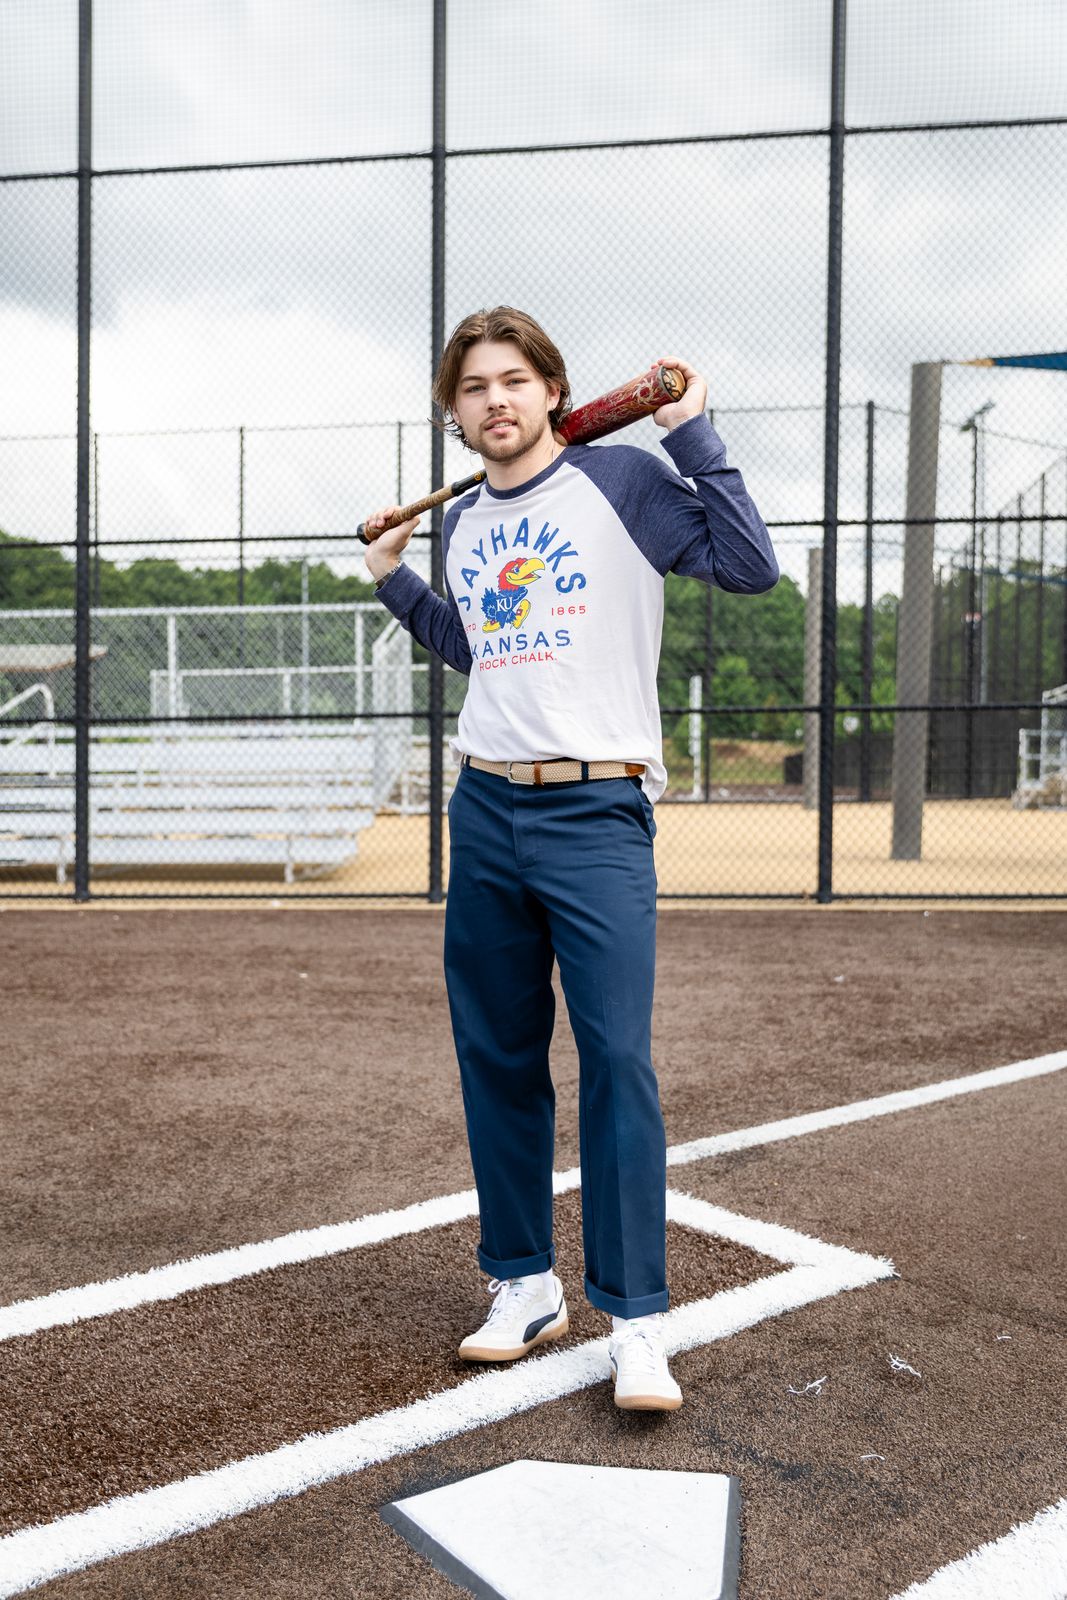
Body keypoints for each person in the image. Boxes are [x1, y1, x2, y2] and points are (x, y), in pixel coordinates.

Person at [364, 307, 777, 1412]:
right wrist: (397, 580)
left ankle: (636, 1320)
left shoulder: (625, 482)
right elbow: (477, 646)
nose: (494, 399)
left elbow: (747, 565)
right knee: (497, 1054)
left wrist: (691, 431)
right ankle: (522, 1284)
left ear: (552, 389)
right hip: (485, 807)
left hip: (596, 806)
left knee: (616, 1058)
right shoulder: (457, 526)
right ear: (455, 415)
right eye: (472, 388)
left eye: (513, 379)